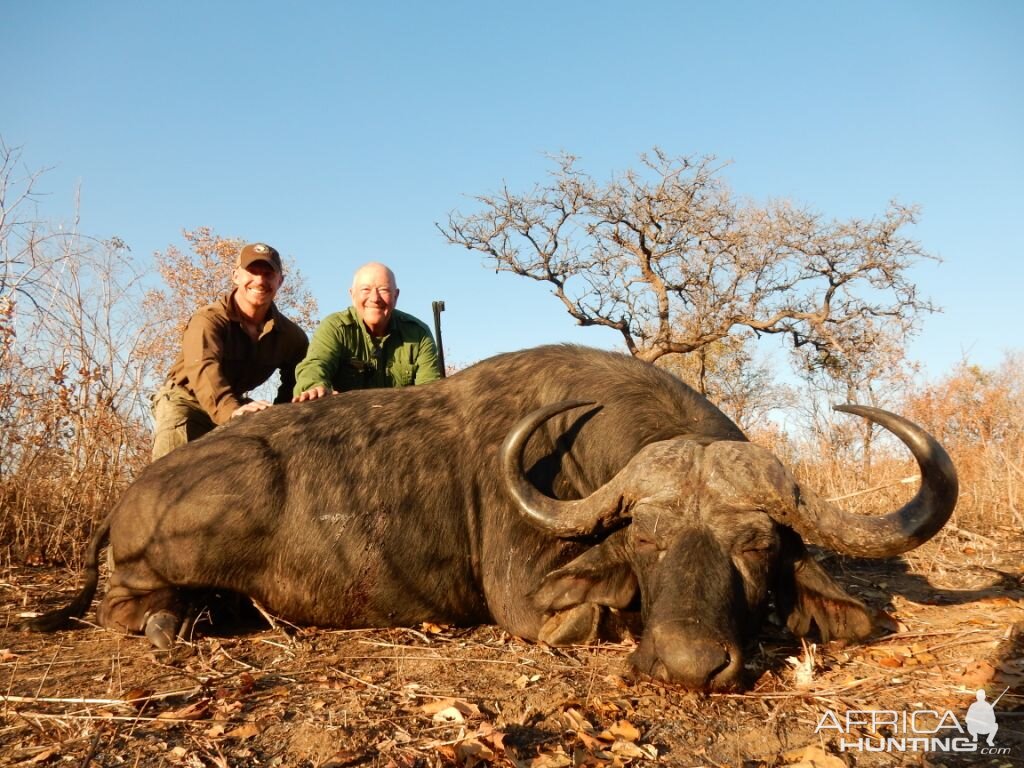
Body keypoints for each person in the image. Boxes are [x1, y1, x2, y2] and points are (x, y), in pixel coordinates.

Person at [151, 242, 309, 460]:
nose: (260, 280)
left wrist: (280, 416)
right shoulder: (208, 320)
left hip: (235, 405)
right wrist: (231, 411)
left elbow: (299, 379)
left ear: (280, 281)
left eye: (268, 274)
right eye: (252, 272)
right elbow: (204, 369)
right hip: (187, 401)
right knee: (170, 476)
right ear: (236, 276)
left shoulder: (292, 336)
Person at [293, 262, 441, 400]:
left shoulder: (418, 334)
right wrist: (315, 388)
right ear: (352, 295)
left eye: (383, 290)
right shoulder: (334, 327)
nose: (375, 298)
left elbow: (429, 394)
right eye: (366, 289)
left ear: (395, 296)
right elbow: (315, 366)